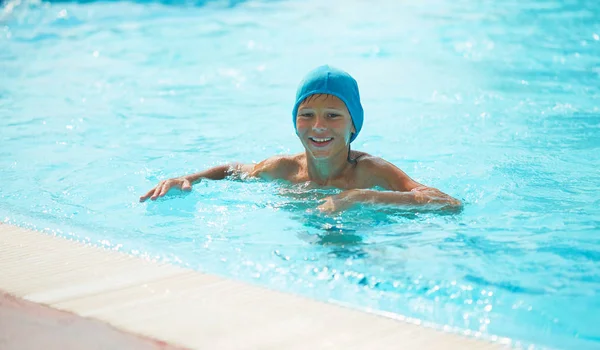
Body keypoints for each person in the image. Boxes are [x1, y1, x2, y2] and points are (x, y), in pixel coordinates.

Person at [139, 65, 462, 213]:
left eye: (333, 115)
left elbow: (446, 202)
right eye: (307, 115)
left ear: (353, 126)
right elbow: (235, 170)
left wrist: (359, 197)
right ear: (295, 124)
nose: (318, 126)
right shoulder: (283, 169)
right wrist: (189, 177)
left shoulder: (370, 172)